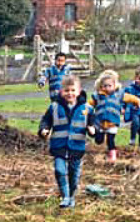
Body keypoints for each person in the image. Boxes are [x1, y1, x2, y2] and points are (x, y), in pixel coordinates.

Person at [37, 74, 96, 209]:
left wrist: (93, 130)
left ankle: (72, 196)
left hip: (77, 146)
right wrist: (44, 130)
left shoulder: (87, 109)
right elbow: (46, 120)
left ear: (79, 91)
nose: (70, 93)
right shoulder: (54, 107)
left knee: (74, 174)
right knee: (59, 170)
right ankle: (65, 196)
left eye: (73, 90)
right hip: (59, 145)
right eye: (67, 90)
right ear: (61, 91)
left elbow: (93, 124)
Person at [89, 69, 140, 163]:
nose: (107, 88)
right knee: (98, 140)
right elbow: (89, 105)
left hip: (113, 123)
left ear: (114, 86)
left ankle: (112, 155)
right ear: (101, 86)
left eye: (110, 86)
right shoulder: (97, 96)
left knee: (110, 140)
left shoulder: (119, 95)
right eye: (105, 86)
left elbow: (131, 98)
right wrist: (84, 111)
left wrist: (138, 101)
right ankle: (95, 136)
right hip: (100, 123)